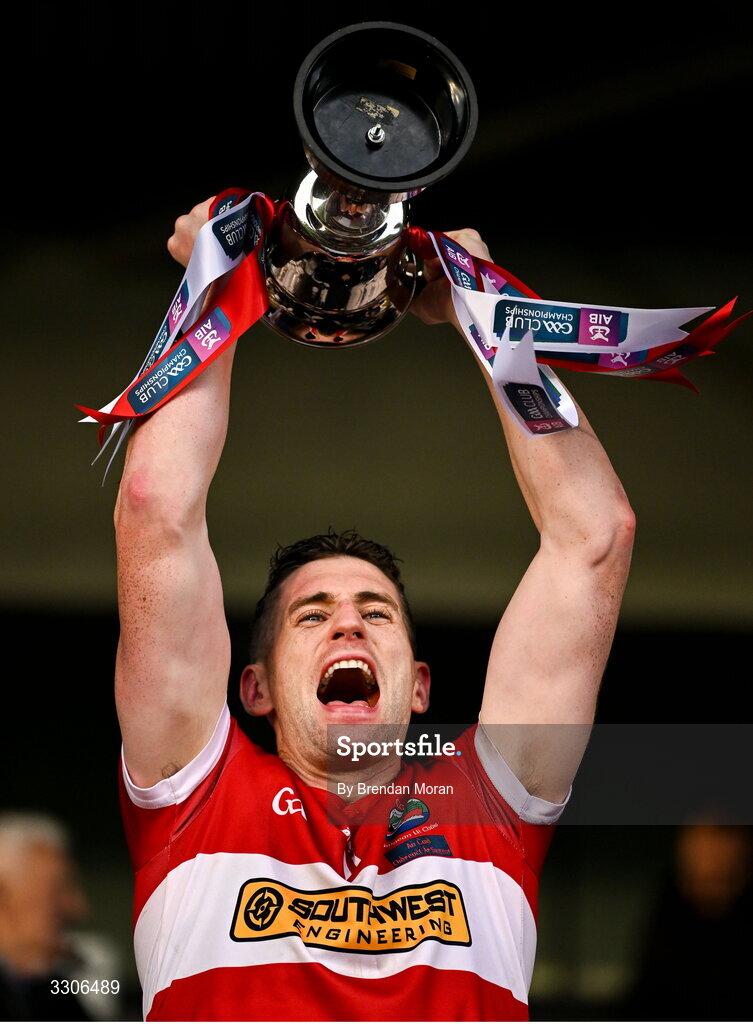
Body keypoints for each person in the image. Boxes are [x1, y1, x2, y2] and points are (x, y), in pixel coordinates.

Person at [114, 199, 635, 1021]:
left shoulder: (490, 803)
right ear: (251, 689)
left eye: (375, 613)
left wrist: (482, 312)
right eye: (311, 615)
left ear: (418, 687)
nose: (349, 624)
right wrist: (216, 283)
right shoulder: (193, 793)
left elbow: (595, 537)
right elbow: (153, 504)